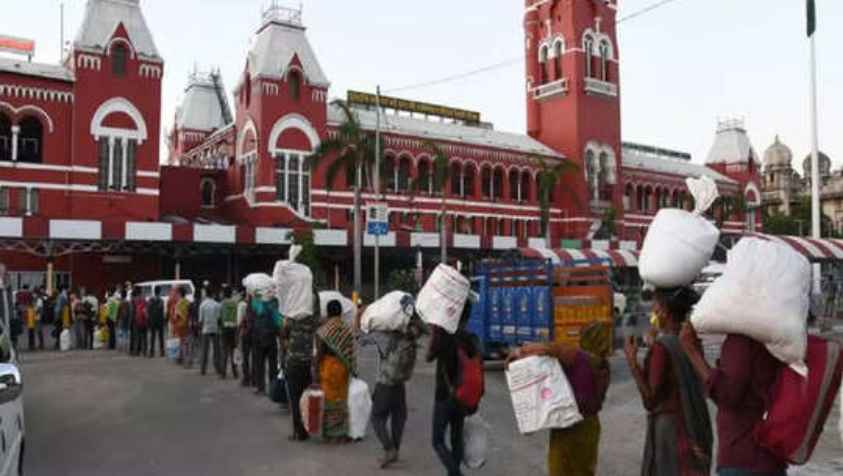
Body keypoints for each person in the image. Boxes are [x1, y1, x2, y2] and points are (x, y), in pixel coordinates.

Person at [625, 287, 713, 476]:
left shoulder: (662, 348)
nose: (652, 310)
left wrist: (633, 364)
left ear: (664, 311)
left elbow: (650, 400)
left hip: (671, 432)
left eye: (655, 306)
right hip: (694, 426)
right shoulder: (692, 341)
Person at [680, 319, 787, 475]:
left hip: (744, 456)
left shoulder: (742, 339)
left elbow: (727, 394)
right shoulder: (772, 336)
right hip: (770, 456)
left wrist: (692, 352)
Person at [509, 322, 612, 476]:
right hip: (590, 426)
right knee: (584, 471)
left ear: (585, 338)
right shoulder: (604, 365)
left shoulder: (578, 357)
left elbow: (546, 348)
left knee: (561, 469)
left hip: (567, 424)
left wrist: (519, 352)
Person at [427, 301, 481, 476]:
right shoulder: (472, 339)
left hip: (445, 395)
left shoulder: (444, 336)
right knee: (456, 438)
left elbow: (428, 356)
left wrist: (435, 330)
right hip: (463, 397)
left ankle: (456, 473)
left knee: (437, 440)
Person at [368, 305, 425, 468]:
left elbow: (372, 338)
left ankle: (389, 449)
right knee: (398, 417)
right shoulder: (412, 340)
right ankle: (395, 450)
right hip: (400, 383)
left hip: (386, 382)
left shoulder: (391, 336)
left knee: (377, 417)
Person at [314, 300, 357, 443]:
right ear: (340, 312)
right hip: (343, 368)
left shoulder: (324, 330)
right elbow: (351, 350)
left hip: (329, 367)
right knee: (341, 399)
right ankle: (342, 432)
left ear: (328, 312)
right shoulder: (347, 328)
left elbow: (320, 352)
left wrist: (315, 370)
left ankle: (330, 433)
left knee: (329, 400)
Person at [283, 294, 320, 442]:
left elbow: (284, 331)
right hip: (307, 361)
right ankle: (305, 429)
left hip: (293, 361)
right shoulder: (313, 318)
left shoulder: (292, 315)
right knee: (305, 398)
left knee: (294, 399)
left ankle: (298, 431)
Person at [252, 291, 282, 394]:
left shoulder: (256, 303)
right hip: (271, 339)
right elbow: (278, 323)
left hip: (259, 339)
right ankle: (272, 388)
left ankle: (261, 388)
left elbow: (254, 316)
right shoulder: (273, 306)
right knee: (272, 365)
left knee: (259, 364)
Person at [198, 286, 222, 376]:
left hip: (206, 329)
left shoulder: (202, 305)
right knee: (217, 350)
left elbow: (200, 320)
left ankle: (203, 369)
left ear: (206, 294)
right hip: (215, 329)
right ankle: (218, 368)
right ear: (213, 294)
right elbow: (219, 319)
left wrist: (200, 330)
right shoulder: (217, 305)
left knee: (204, 350)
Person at [219, 287, 239, 379]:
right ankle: (235, 372)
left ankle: (223, 373)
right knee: (233, 350)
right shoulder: (235, 303)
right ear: (231, 294)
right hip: (234, 328)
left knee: (224, 350)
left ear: (224, 294)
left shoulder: (222, 303)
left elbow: (219, 317)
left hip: (225, 328)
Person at [239, 290, 255, 387]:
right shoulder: (256, 306)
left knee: (245, 357)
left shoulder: (244, 305)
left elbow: (241, 321)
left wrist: (240, 330)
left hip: (246, 334)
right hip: (254, 334)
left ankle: (246, 379)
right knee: (254, 357)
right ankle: (254, 379)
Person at [173, 287, 190, 365]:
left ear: (180, 294)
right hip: (187, 324)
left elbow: (176, 316)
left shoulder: (178, 303)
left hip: (180, 325)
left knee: (180, 341)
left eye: (177, 293)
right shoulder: (188, 302)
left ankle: (180, 358)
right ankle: (187, 358)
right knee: (186, 342)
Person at [146, 286, 166, 358]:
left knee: (152, 337)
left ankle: (151, 352)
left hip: (152, 321)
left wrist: (149, 320)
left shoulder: (150, 300)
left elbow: (148, 311)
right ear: (159, 292)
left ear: (154, 292)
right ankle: (162, 352)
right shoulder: (161, 301)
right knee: (161, 337)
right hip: (160, 321)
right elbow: (162, 312)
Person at [132, 290, 148, 358]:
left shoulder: (136, 302)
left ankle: (138, 351)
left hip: (138, 321)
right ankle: (144, 351)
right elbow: (146, 313)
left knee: (138, 337)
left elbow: (134, 312)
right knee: (144, 337)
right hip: (144, 322)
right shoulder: (145, 303)